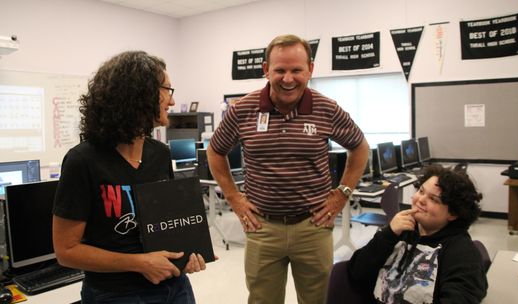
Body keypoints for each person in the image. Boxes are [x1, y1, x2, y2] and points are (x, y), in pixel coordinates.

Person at [207, 34, 370, 304]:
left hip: (313, 226)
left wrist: (341, 193)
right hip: (262, 227)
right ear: (265, 70)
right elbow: (215, 151)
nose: (288, 78)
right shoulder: (242, 110)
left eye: (296, 70)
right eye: (280, 70)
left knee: (317, 299)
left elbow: (360, 147)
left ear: (310, 70)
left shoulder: (326, 109)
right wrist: (234, 198)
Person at [52, 51, 209, 303]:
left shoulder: (160, 153)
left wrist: (187, 254)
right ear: (140, 93)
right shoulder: (83, 161)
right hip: (115, 294)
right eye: (168, 89)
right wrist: (140, 263)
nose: (171, 100)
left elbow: (167, 226)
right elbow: (66, 251)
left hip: (174, 287)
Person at [347, 164, 488, 303]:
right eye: (421, 191)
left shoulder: (461, 252)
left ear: (453, 213)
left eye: (433, 199)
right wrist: (388, 234)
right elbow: (357, 273)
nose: (420, 200)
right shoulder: (399, 231)